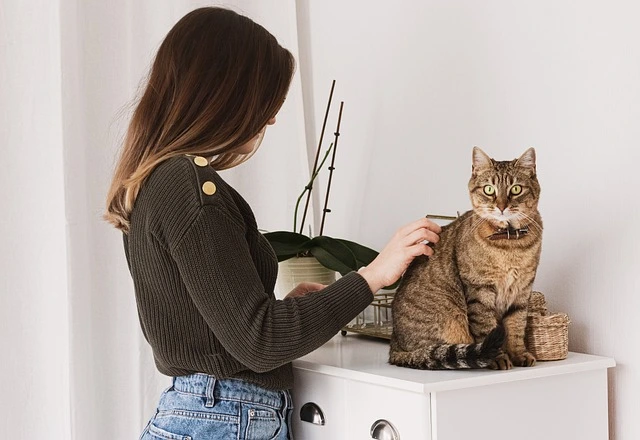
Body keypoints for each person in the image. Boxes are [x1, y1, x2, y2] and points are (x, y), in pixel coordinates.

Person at [105, 6, 441, 440]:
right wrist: (373, 275)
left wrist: (287, 308)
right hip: (224, 417)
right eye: (266, 101)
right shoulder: (191, 187)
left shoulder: (159, 182)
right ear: (227, 95)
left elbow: (218, 326)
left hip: (207, 415)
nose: (272, 117)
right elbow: (260, 344)